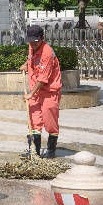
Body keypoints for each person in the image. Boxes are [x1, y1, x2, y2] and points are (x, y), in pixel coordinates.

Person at [20, 25, 62, 158]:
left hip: (49, 91)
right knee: (33, 121)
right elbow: (31, 58)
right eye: (30, 41)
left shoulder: (47, 53)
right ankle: (34, 151)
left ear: (42, 38)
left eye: (35, 41)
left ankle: (51, 150)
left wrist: (31, 93)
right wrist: (26, 64)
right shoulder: (31, 47)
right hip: (35, 91)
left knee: (50, 122)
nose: (32, 44)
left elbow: (43, 79)